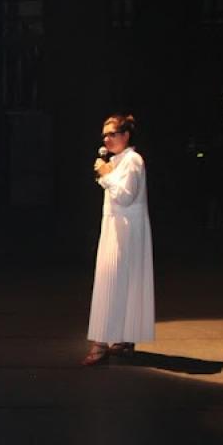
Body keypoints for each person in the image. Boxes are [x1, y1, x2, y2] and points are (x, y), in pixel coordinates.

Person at [85, 113, 155, 365]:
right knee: (118, 280)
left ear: (126, 135)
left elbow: (126, 196)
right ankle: (122, 339)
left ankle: (102, 343)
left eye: (112, 134)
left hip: (127, 229)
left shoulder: (133, 160)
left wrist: (105, 175)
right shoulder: (119, 160)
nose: (107, 138)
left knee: (113, 281)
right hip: (116, 227)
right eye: (104, 134)